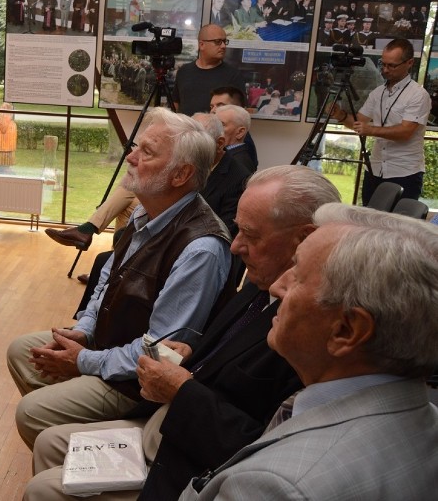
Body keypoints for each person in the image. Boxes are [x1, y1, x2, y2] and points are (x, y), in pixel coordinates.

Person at [23, 166, 341, 501]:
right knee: (49, 443)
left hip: (192, 462)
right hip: (167, 424)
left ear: (303, 239)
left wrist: (179, 388)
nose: (234, 246)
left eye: (251, 235)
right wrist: (191, 356)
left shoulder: (310, 327)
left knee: (43, 485)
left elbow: (259, 446)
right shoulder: (260, 281)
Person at [7, 109, 235, 449]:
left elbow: (159, 353)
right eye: (136, 146)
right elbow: (106, 281)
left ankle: (86, 453)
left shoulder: (200, 248)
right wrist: (84, 329)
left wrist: (82, 361)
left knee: (31, 412)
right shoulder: (148, 210)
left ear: (181, 174)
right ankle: (79, 444)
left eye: (147, 152)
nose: (130, 156)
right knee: (20, 351)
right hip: (110, 345)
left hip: (135, 384)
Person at [178, 204, 438, 501]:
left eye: (298, 275)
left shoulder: (273, 487)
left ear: (346, 331)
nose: (276, 287)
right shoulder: (424, 420)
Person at [44, 86, 246, 252]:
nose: (130, 157)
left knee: (132, 201)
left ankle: (101, 242)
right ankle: (114, 260)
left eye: (147, 151)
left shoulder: (238, 170)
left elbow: (223, 227)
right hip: (173, 217)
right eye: (212, 106)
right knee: (132, 195)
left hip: (181, 229)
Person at [331, 38, 430, 204]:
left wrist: (370, 130)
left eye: (392, 65)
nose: (385, 69)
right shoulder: (378, 93)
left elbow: (405, 132)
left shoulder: (418, 95)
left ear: (409, 63)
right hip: (375, 169)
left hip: (405, 172)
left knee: (397, 225)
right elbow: (358, 122)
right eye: (383, 64)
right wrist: (340, 115)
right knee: (369, 220)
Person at [173, 24, 246, 117]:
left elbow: (239, 113)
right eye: (218, 41)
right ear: (202, 45)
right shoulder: (184, 71)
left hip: (216, 130)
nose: (223, 46)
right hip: (188, 129)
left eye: (224, 41)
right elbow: (175, 104)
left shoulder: (233, 75)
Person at [214, 104, 256, 172]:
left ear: (240, 132)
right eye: (214, 124)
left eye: (221, 124)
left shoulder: (239, 162)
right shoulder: (228, 155)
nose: (214, 128)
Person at [0, 102, 17, 173]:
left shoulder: (12, 124)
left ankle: (4, 169)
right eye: (3, 108)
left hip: (7, 149)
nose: (4, 111)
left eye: (6, 108)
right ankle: (0, 169)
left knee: (4, 164)